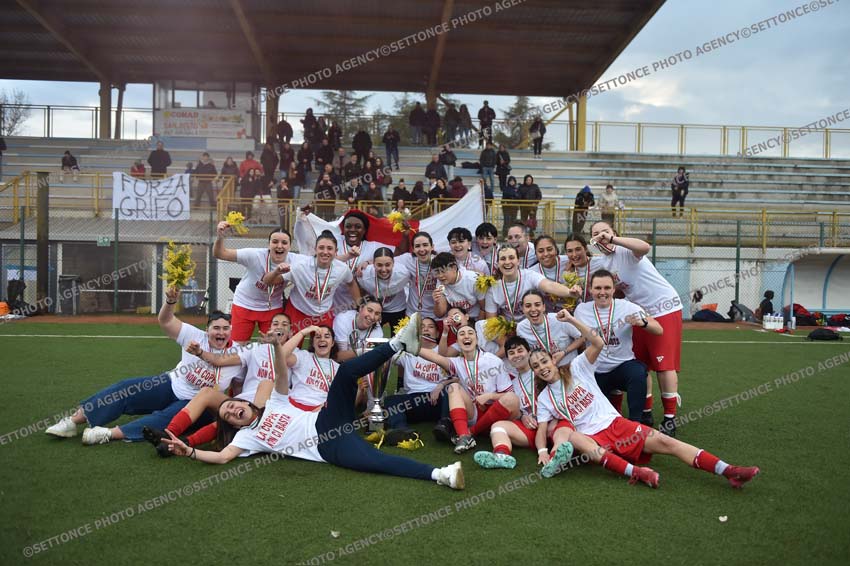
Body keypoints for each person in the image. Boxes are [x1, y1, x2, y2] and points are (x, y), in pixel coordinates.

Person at [161, 315, 466, 490]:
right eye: (229, 415)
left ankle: (398, 343)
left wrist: (277, 347)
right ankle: (441, 474)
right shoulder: (246, 438)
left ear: (247, 403)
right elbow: (221, 457)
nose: (232, 409)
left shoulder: (275, 402)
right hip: (327, 448)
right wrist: (190, 451)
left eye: (231, 405)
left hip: (328, 419)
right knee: (377, 463)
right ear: (233, 424)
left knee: (345, 373)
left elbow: (281, 371)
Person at [529, 309, 759, 489]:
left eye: (544, 361)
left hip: (616, 425)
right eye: (536, 366)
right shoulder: (545, 398)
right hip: (592, 439)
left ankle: (729, 471)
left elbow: (597, 342)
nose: (542, 367)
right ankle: (636, 473)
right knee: (575, 437)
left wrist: (571, 319)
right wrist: (542, 452)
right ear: (535, 372)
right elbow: (541, 429)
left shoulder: (577, 368)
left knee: (668, 443)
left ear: (553, 360)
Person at [45, 289, 245, 444]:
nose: (220, 332)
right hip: (171, 383)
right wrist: (170, 302)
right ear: (207, 330)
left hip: (196, 403)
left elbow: (239, 388)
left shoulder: (239, 355)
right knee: (125, 389)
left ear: (231, 330)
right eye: (215, 328)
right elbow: (165, 320)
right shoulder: (193, 335)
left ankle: (107, 434)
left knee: (163, 419)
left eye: (225, 328)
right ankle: (72, 422)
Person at [144, 313, 294, 455]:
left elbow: (303, 389)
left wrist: (303, 332)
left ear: (291, 332)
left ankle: (186, 443)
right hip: (244, 401)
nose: (279, 327)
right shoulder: (254, 348)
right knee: (207, 393)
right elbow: (220, 360)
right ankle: (169, 434)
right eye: (275, 324)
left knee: (233, 414)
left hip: (269, 409)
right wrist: (200, 353)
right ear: (269, 329)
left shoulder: (299, 357)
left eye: (284, 324)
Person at [590, 220, 684, 434]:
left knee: (664, 364)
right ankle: (646, 412)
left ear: (614, 233)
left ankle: (670, 418)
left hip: (663, 308)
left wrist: (612, 239)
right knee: (640, 364)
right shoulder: (604, 263)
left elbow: (644, 247)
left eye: (605, 231)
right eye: (596, 233)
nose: (601, 235)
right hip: (638, 313)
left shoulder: (625, 250)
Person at [574, 269, 661, 423]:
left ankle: (636, 422)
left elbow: (659, 329)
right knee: (598, 417)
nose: (602, 292)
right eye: (598, 288)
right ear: (590, 290)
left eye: (607, 288)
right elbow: (578, 337)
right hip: (595, 371)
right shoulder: (581, 310)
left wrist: (643, 323)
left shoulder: (627, 307)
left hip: (622, 366)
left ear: (614, 289)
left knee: (638, 373)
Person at [418, 324, 519, 454]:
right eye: (462, 334)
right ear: (457, 342)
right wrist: (412, 347)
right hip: (474, 412)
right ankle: (464, 436)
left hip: (497, 415)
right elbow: (436, 358)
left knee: (512, 398)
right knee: (453, 387)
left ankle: (471, 432)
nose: (466, 336)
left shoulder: (493, 361)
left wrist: (490, 396)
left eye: (470, 333)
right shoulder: (457, 362)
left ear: (477, 339)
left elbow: (509, 395)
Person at [214, 223, 304, 343]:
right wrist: (220, 237)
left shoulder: (296, 260)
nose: (279, 246)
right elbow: (220, 253)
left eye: (284, 243)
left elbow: (316, 261)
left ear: (290, 246)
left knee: (273, 346)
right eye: (275, 242)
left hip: (272, 307)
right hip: (244, 304)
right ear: (268, 244)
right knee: (237, 345)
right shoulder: (254, 255)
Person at [472, 336, 547, 469]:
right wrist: (523, 416)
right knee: (498, 426)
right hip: (530, 428)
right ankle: (501, 456)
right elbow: (514, 407)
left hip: (549, 425)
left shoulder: (542, 372)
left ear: (529, 352)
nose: (516, 355)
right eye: (511, 353)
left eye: (520, 350)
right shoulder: (511, 383)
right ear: (507, 358)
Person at [265, 230, 361, 332]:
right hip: (298, 309)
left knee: (325, 340)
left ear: (336, 251)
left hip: (324, 312)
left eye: (329, 248)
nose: (325, 252)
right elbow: (269, 281)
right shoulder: (300, 266)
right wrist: (276, 272)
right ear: (315, 249)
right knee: (291, 341)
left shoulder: (342, 269)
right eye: (321, 248)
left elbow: (351, 283)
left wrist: (359, 304)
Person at [483, 245, 581, 323]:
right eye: (503, 259)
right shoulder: (493, 289)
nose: (507, 262)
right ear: (497, 263)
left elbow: (549, 285)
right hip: (508, 331)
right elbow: (491, 321)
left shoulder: (530, 276)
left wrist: (569, 292)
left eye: (511, 258)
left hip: (534, 326)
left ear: (518, 261)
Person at [516, 290, 583, 367]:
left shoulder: (559, 319)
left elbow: (582, 337)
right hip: (546, 372)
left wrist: (564, 352)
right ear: (523, 309)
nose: (533, 309)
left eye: (537, 305)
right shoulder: (521, 328)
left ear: (544, 307)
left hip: (570, 368)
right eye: (528, 306)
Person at [357, 248, 409, 333]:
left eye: (388, 265)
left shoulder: (403, 273)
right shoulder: (364, 275)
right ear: (373, 264)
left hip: (397, 309)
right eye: (379, 265)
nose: (384, 270)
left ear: (393, 263)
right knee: (373, 338)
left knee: (397, 338)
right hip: (374, 311)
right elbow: (359, 289)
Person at [431, 253, 486, 320]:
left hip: (476, 318)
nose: (440, 275)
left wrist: (477, 324)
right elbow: (440, 314)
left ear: (454, 268)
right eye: (437, 272)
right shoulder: (440, 283)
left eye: (443, 271)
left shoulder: (473, 280)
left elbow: (484, 307)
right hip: (457, 321)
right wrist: (437, 302)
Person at [333, 296, 385, 361]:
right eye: (369, 310)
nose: (372, 317)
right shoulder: (343, 319)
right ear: (361, 308)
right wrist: (362, 351)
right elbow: (338, 357)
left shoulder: (378, 332)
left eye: (377, 314)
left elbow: (372, 360)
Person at [532, 235, 572, 312]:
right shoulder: (532, 272)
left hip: (572, 311)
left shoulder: (569, 261)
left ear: (556, 250)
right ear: (536, 254)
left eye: (549, 249)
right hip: (547, 314)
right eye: (541, 251)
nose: (546, 254)